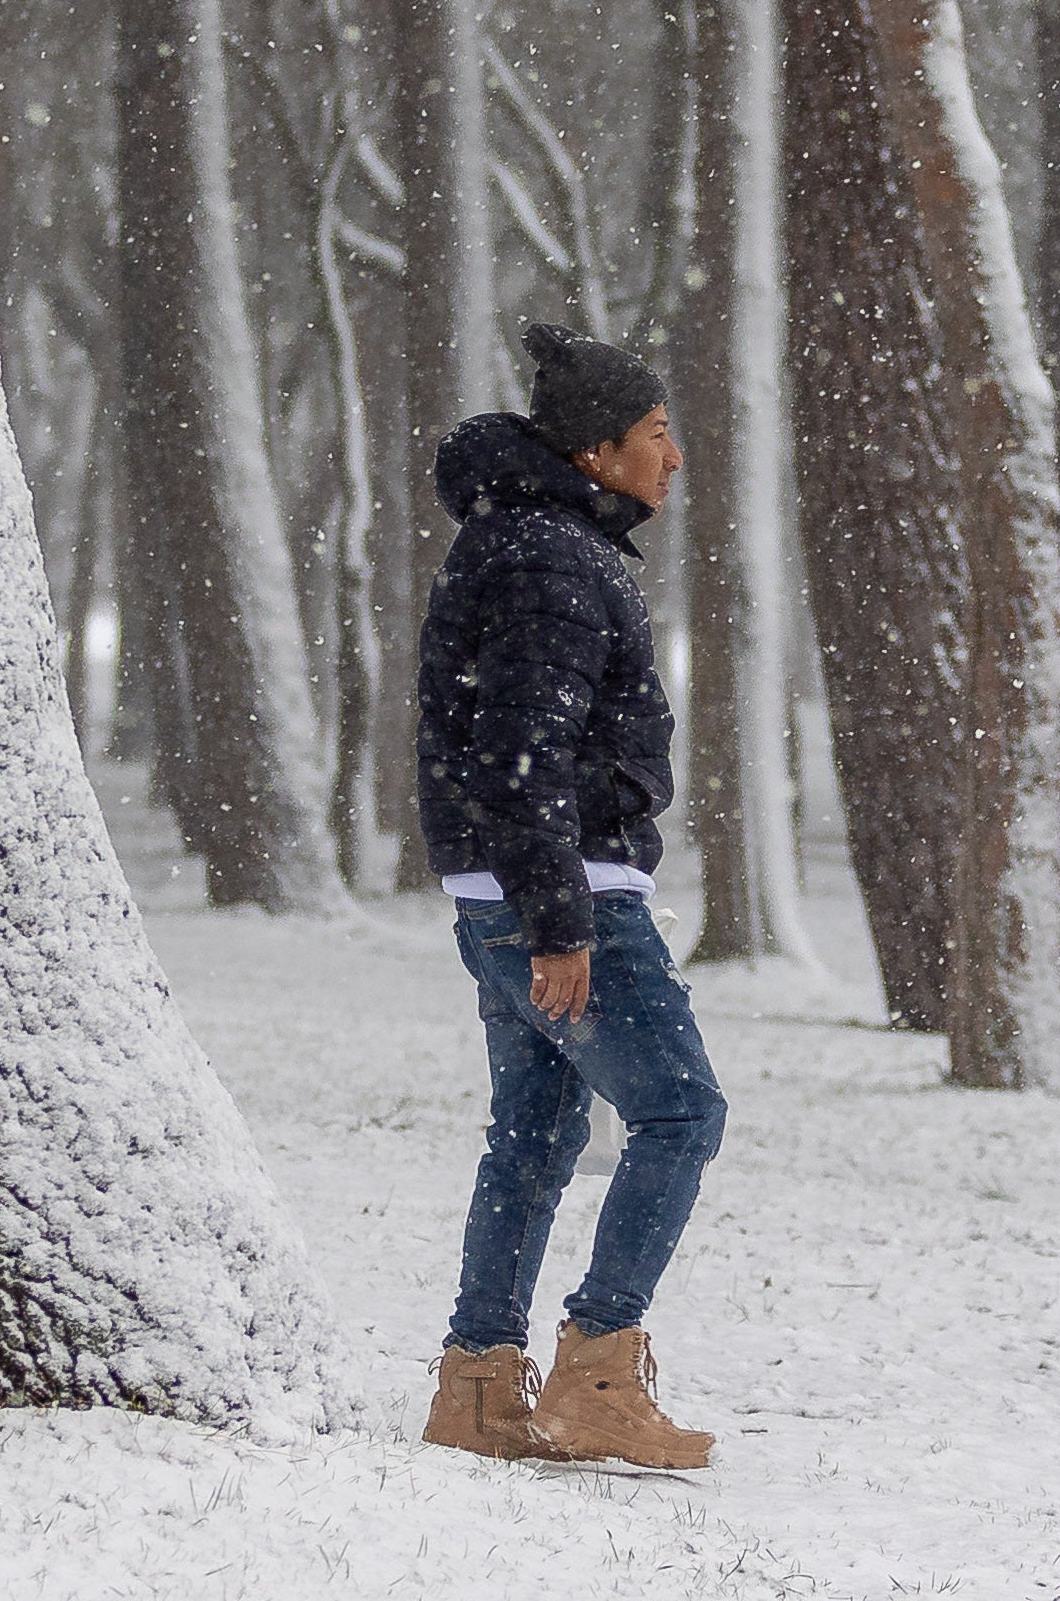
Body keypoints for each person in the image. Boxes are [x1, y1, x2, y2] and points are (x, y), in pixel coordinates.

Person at [417, 323, 726, 1471]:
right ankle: (598, 1370)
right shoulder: (552, 560)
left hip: (506, 885)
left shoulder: (527, 543)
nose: (674, 457)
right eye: (655, 433)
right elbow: (521, 751)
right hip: (563, 889)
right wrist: (560, 921)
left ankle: (482, 1390)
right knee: (683, 1111)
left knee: (535, 1137)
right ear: (597, 450)